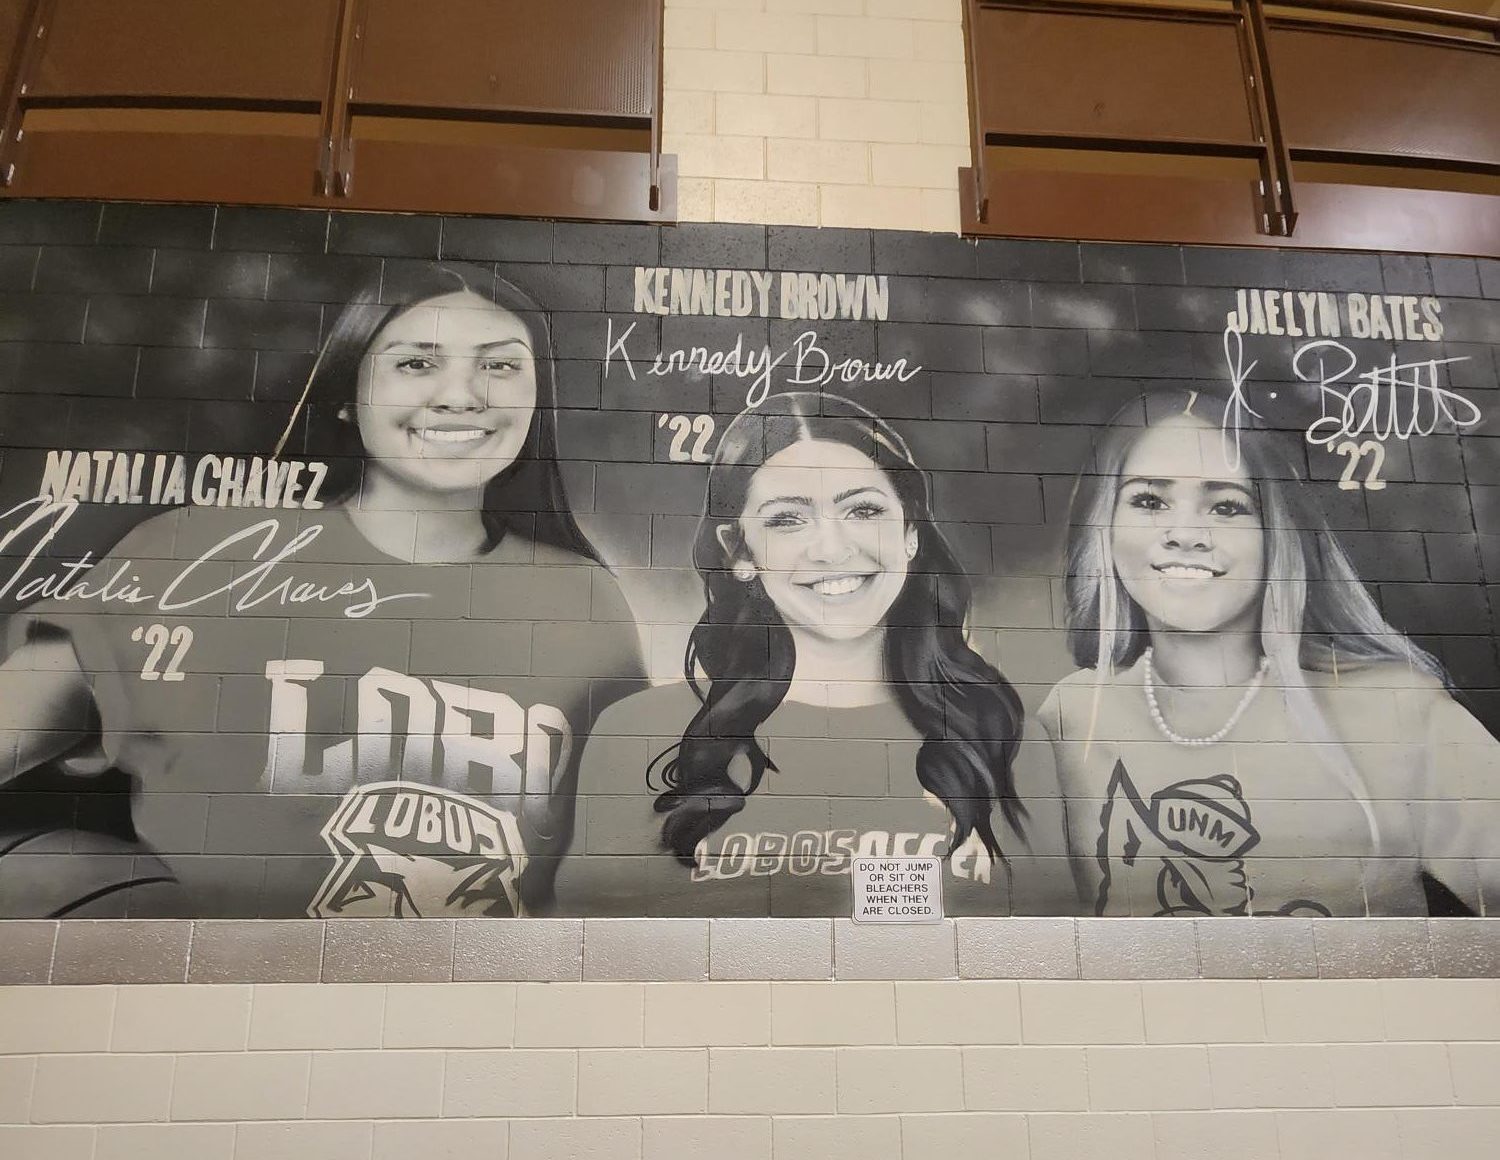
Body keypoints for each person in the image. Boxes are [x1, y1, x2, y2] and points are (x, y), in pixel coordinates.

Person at [0, 263, 643, 917]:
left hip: (480, 1006)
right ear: (345, 395)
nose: (463, 395)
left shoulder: (586, 602)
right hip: (222, 1004)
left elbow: (610, 863)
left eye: (501, 366)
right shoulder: (196, 552)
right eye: (416, 364)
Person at [556, 392, 1039, 916]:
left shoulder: (1007, 737)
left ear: (910, 533)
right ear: (739, 551)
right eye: (788, 519)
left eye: (864, 510)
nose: (831, 549)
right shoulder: (633, 733)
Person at [1041, 386, 1500, 917]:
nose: (1186, 533)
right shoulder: (1070, 718)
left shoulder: (1392, 708)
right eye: (1149, 500)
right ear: (1106, 524)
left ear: (1274, 533)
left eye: (1227, 506)